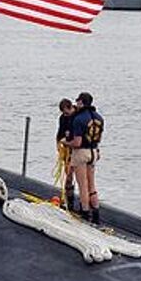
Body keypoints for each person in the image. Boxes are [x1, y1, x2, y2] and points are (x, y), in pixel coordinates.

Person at [67, 92, 104, 225]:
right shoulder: (99, 117)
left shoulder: (79, 119)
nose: (76, 104)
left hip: (81, 153)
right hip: (93, 151)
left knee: (83, 185)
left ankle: (85, 212)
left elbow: (77, 142)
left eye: (78, 101)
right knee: (92, 185)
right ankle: (96, 213)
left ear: (81, 102)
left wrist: (66, 143)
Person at [56, 98, 77, 211]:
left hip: (77, 149)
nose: (65, 115)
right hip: (66, 149)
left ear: (71, 107)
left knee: (77, 176)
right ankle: (69, 200)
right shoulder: (63, 118)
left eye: (66, 113)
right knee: (68, 174)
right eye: (63, 113)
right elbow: (60, 133)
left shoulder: (78, 117)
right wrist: (58, 145)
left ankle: (82, 203)